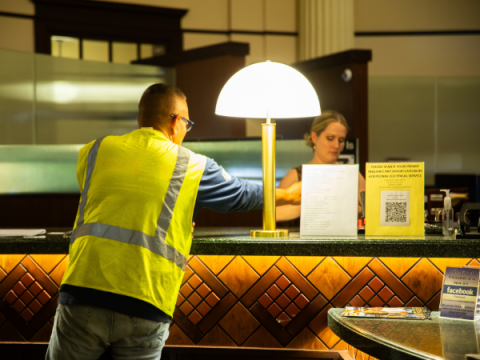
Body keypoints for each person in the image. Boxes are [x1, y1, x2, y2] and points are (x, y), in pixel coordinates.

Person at [46, 84, 302, 360]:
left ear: (140, 118)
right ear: (176, 121)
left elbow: (120, 200)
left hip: (83, 293)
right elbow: (240, 194)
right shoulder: (190, 164)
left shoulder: (96, 150)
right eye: (187, 123)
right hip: (146, 299)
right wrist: (288, 194)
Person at [276, 110, 365, 223]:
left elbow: (370, 210)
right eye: (330, 138)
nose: (336, 145)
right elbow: (275, 213)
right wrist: (319, 206)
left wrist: (354, 210)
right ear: (314, 137)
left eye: (341, 140)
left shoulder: (353, 176)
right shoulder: (296, 176)